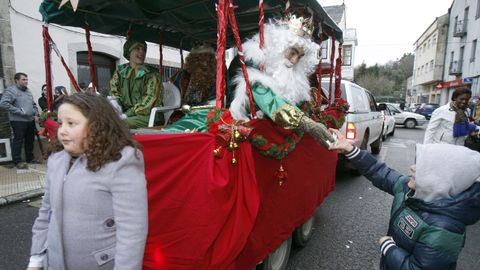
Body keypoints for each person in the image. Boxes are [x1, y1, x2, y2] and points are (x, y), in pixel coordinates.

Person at [165, 15, 334, 147]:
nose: (294, 60)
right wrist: (305, 122)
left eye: (300, 56)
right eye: (292, 52)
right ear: (278, 46)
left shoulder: (284, 72)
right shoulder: (254, 62)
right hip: (226, 119)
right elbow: (265, 97)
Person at [329, 128, 480, 270]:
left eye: (423, 167)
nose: (413, 168)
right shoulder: (410, 189)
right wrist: (351, 150)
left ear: (441, 180)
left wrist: (389, 248)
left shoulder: (445, 228)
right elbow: (380, 172)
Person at [27, 93, 148, 270]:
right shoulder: (57, 160)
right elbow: (46, 213)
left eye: (71, 123)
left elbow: (132, 231)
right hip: (54, 262)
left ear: (97, 126)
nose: (62, 130)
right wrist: (36, 259)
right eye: (60, 123)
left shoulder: (121, 162)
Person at [110, 38, 163, 128]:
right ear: (129, 52)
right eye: (137, 49)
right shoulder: (120, 71)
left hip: (148, 115)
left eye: (144, 50)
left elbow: (149, 99)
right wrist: (115, 105)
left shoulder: (152, 74)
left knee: (119, 124)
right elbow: (114, 92)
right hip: (125, 113)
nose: (141, 52)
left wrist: (127, 114)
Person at [0, 72, 38, 169]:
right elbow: (3, 103)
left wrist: (34, 110)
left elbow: (33, 104)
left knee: (30, 140)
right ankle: (17, 161)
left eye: (27, 79)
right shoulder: (11, 91)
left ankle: (30, 158)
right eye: (24, 79)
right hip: (18, 121)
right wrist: (19, 111)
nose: (26, 81)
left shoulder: (28, 91)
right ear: (17, 80)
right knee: (18, 141)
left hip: (30, 120)